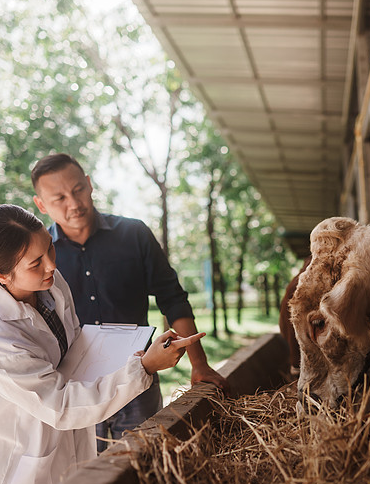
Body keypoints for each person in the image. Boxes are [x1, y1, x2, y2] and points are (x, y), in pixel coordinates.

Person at [0, 204, 204, 484]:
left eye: (50, 249)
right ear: (0, 275)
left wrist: (130, 354)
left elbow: (74, 346)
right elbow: (61, 405)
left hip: (64, 443)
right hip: (16, 463)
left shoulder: (50, 283)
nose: (51, 265)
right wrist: (142, 368)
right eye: (35, 262)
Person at [31, 154, 229, 452]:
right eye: (59, 198)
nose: (73, 204)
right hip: (76, 394)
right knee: (87, 481)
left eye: (77, 190)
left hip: (139, 380)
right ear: (41, 205)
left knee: (147, 468)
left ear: (89, 184)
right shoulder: (39, 257)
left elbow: (173, 298)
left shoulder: (134, 234)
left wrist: (199, 363)